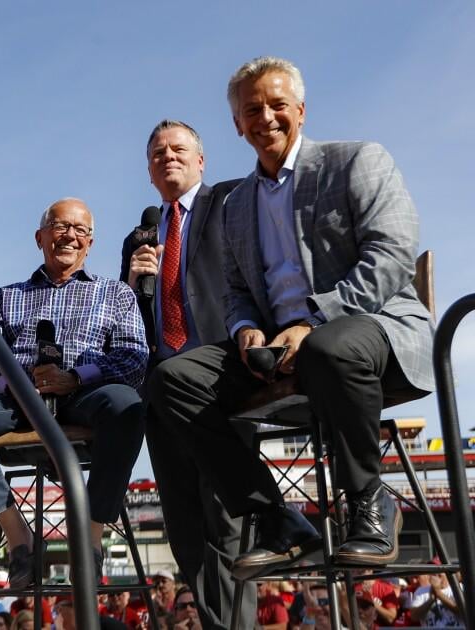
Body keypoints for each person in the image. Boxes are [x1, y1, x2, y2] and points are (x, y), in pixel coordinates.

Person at [147, 55, 433, 580]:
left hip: (369, 328)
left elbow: (391, 256)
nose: (267, 118)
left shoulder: (356, 160)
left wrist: (315, 321)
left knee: (329, 347)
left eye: (278, 105)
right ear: (237, 124)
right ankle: (275, 518)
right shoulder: (237, 205)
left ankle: (370, 500)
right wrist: (244, 328)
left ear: (300, 110)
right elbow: (236, 291)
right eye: (252, 110)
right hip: (279, 347)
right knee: (171, 380)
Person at [0, 197, 147, 587]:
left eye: (80, 229)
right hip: (19, 400)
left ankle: (92, 537)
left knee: (128, 406)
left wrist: (77, 377)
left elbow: (134, 358)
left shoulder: (116, 293)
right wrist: (19, 386)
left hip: (85, 396)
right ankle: (19, 538)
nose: (69, 236)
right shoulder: (6, 296)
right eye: (59, 226)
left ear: (90, 243)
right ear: (40, 237)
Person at [120, 119, 250, 630]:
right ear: (149, 169)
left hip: (222, 379)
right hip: (161, 390)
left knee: (227, 518)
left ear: (201, 160)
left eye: (178, 149)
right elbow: (127, 323)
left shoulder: (231, 204)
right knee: (184, 527)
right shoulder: (141, 234)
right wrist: (132, 283)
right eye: (157, 152)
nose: (167, 156)